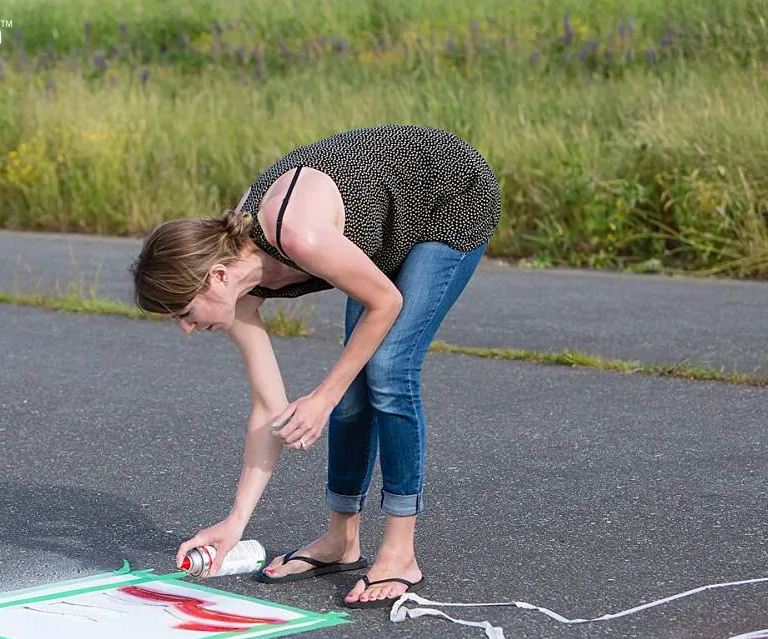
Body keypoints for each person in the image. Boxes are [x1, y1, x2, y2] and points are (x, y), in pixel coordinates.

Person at [130, 124, 501, 608]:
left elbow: (385, 303)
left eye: (185, 312)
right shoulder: (239, 294)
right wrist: (234, 523)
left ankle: (399, 552)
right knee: (349, 388)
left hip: (447, 195)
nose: (185, 328)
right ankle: (340, 540)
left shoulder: (296, 235)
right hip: (387, 223)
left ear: (216, 277)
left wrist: (321, 398)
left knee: (387, 368)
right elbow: (269, 408)